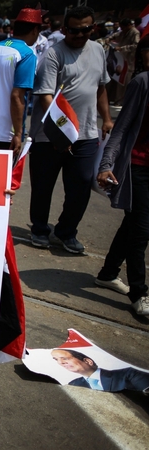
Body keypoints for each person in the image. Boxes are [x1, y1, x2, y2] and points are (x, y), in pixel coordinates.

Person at [28, 6, 113, 254]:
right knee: (43, 187)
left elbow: (101, 87)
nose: (80, 34)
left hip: (86, 134)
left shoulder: (98, 50)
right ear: (65, 29)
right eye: (74, 30)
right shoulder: (53, 54)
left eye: (86, 29)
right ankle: (40, 229)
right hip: (50, 135)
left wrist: (106, 118)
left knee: (81, 187)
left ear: (93, 28)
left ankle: (66, 231)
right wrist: (62, 132)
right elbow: (44, 96)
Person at [96, 38, 149, 316]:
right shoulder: (142, 82)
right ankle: (139, 293)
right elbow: (122, 128)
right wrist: (107, 164)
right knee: (142, 231)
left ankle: (107, 272)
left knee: (133, 224)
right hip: (138, 168)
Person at [0, 7, 42, 151]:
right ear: (35, 30)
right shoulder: (27, 54)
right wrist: (18, 133)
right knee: (4, 173)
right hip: (5, 133)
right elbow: (17, 96)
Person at [50, 349, 149, 392]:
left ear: (88, 361)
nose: (61, 363)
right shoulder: (74, 383)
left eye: (65, 358)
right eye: (56, 360)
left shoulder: (128, 374)